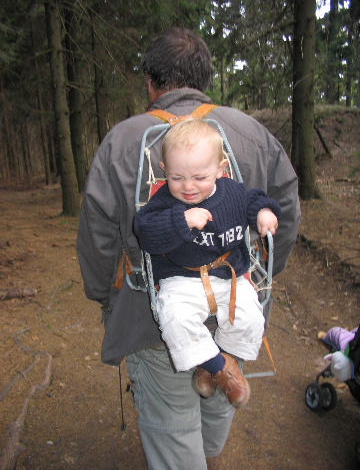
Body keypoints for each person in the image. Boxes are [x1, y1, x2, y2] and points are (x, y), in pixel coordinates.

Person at [77, 28, 301, 469]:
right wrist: (261, 279)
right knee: (221, 394)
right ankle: (211, 454)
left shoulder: (122, 142)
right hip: (233, 299)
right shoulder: (251, 133)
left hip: (152, 309)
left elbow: (98, 237)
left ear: (151, 82)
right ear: (203, 78)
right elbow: (286, 215)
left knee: (171, 424)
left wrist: (107, 298)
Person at [134, 118, 281, 408]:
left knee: (251, 318)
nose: (188, 187)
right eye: (177, 178)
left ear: (220, 170)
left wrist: (263, 212)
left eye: (199, 178)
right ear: (165, 172)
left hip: (230, 276)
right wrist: (182, 220)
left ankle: (210, 365)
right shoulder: (165, 202)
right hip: (182, 277)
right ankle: (220, 368)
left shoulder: (232, 193)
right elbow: (145, 230)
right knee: (175, 319)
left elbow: (254, 200)